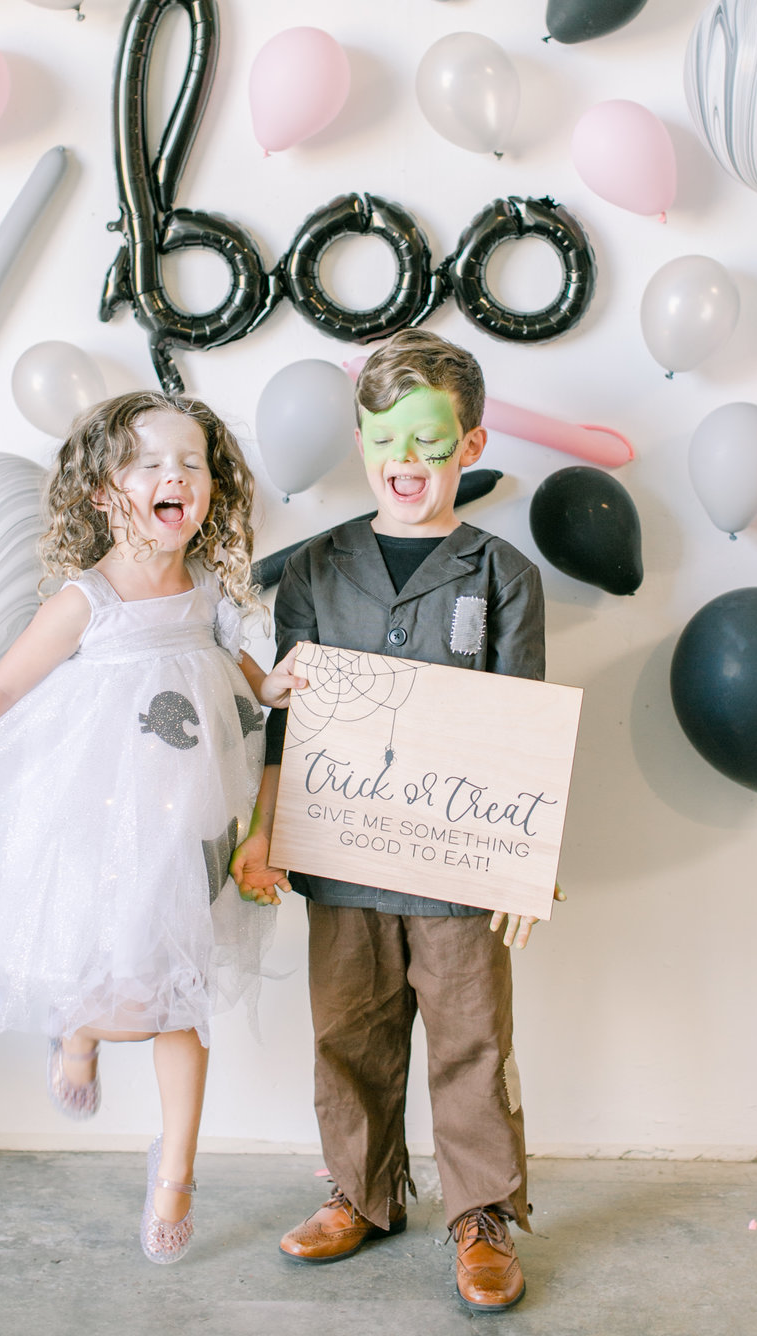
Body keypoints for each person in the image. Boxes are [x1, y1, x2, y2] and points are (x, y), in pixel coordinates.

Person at [0, 390, 299, 1265]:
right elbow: (0, 687)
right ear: (104, 493)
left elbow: (239, 667)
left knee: (181, 1003)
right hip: (101, 825)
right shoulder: (86, 599)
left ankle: (174, 1174)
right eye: (152, 464)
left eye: (192, 463)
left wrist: (272, 685)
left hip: (190, 827)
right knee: (117, 990)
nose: (177, 475)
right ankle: (81, 1032)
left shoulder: (208, 589)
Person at [231, 328, 549, 1311]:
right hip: (340, 855)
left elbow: (523, 730)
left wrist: (525, 863)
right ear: (361, 442)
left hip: (458, 867)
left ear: (470, 444)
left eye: (428, 441)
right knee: (348, 1031)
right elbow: (288, 723)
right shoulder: (315, 571)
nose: (404, 462)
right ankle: (359, 1194)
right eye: (384, 441)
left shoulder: (502, 574)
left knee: (470, 1038)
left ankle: (480, 1214)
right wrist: (263, 828)